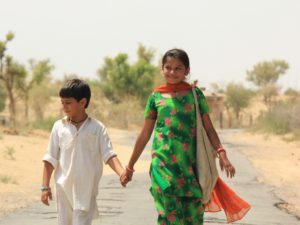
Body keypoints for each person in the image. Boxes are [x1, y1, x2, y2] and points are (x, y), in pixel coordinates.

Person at [120, 49, 250, 224]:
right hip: (163, 165)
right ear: (162, 68)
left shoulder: (195, 95)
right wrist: (130, 167)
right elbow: (144, 134)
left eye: (178, 68)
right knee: (168, 216)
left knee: (193, 219)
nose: (172, 72)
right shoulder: (155, 97)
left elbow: (209, 129)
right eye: (168, 67)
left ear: (187, 71)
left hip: (192, 168)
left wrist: (222, 153)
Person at [41, 79, 128, 225]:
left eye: (68, 102)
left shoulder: (97, 128)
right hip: (63, 189)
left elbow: (109, 154)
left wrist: (121, 173)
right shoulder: (58, 127)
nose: (64, 106)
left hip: (86, 190)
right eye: (62, 102)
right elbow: (50, 159)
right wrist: (45, 187)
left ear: (82, 102)